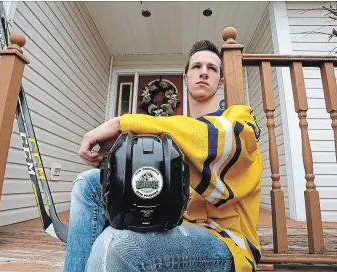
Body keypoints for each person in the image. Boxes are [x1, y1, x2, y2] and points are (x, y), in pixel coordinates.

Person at [63, 40, 262, 272]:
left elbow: (208, 139)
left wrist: (121, 123)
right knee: (87, 183)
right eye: (197, 67)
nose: (204, 73)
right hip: (172, 225)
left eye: (212, 68)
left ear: (221, 82)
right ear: (185, 78)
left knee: (115, 246)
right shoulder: (171, 135)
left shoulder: (239, 118)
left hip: (224, 241)